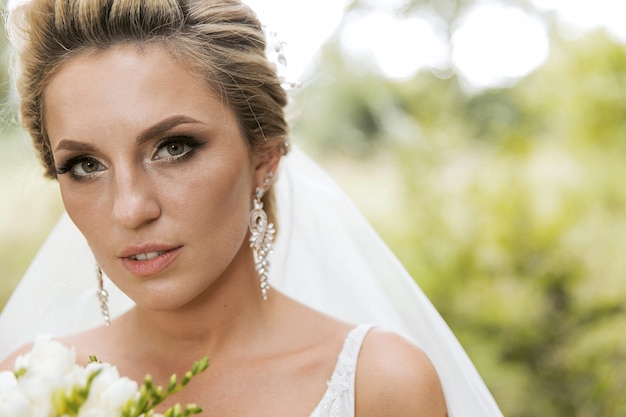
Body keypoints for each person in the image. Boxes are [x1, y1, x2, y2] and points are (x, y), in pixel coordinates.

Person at [0, 0, 503, 416]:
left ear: (264, 158)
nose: (130, 209)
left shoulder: (380, 386)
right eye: (86, 165)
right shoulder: (29, 387)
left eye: (174, 147)